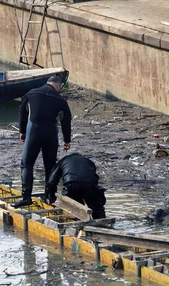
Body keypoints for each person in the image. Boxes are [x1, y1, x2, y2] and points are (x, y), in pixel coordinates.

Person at [12, 75, 72, 208]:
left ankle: (26, 197)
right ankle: (49, 198)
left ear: (47, 82)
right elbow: (66, 120)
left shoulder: (32, 93)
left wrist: (22, 131)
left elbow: (22, 111)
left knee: (27, 164)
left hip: (34, 132)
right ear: (58, 86)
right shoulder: (60, 100)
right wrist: (67, 140)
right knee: (50, 167)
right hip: (51, 135)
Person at [44, 153, 106, 219]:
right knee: (97, 209)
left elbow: (51, 182)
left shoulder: (64, 160)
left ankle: (77, 223)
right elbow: (94, 178)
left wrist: (52, 197)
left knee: (75, 209)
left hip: (71, 184)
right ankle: (102, 225)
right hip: (90, 185)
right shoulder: (89, 162)